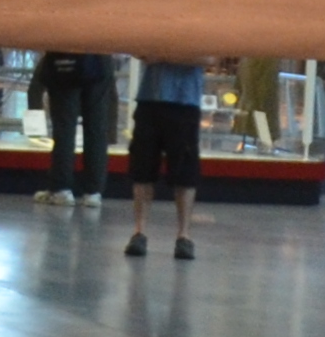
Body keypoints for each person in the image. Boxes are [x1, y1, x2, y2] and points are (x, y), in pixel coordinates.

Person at [122, 56, 209, 259]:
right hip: (150, 99)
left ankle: (184, 235)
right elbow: (141, 50)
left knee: (185, 170)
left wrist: (162, 52)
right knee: (143, 167)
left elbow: (210, 56)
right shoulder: (156, 24)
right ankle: (139, 231)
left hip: (185, 100)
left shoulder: (202, 26)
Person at [32, 51, 117, 204]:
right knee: (96, 128)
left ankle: (61, 189)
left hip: (65, 59)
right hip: (100, 58)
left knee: (64, 127)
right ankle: (93, 192)